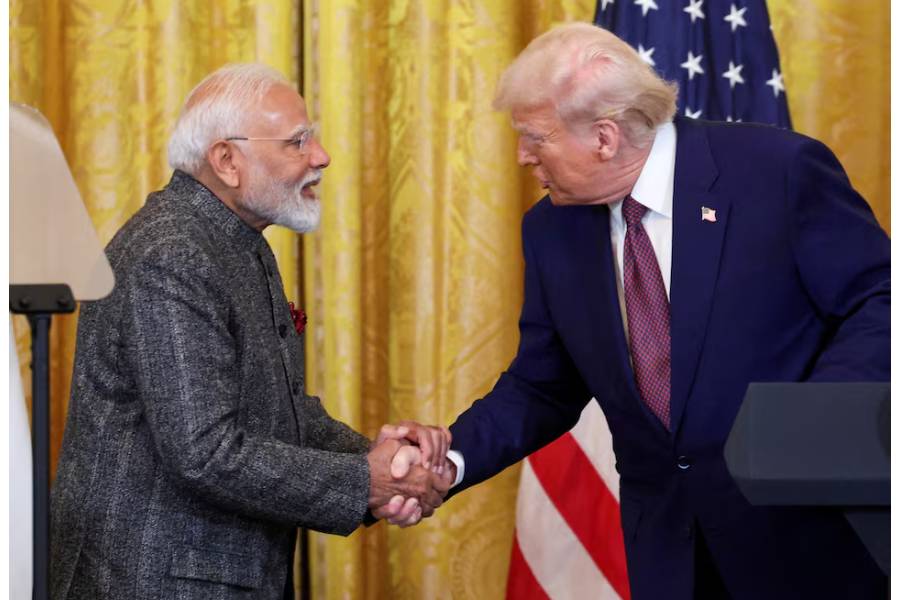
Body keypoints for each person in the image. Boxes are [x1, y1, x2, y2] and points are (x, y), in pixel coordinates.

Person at [441, 23, 889, 599]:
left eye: (534, 137)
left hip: (804, 540)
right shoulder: (552, 230)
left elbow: (878, 299)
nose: (524, 157)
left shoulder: (776, 172)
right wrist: (449, 459)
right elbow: (541, 385)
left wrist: (812, 421)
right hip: (668, 556)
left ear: (604, 137)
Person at [50, 63, 452, 600]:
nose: (322, 156)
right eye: (298, 141)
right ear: (227, 161)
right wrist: (368, 482)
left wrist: (378, 460)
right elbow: (204, 451)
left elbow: (278, 412)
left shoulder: (234, 239)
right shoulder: (172, 254)